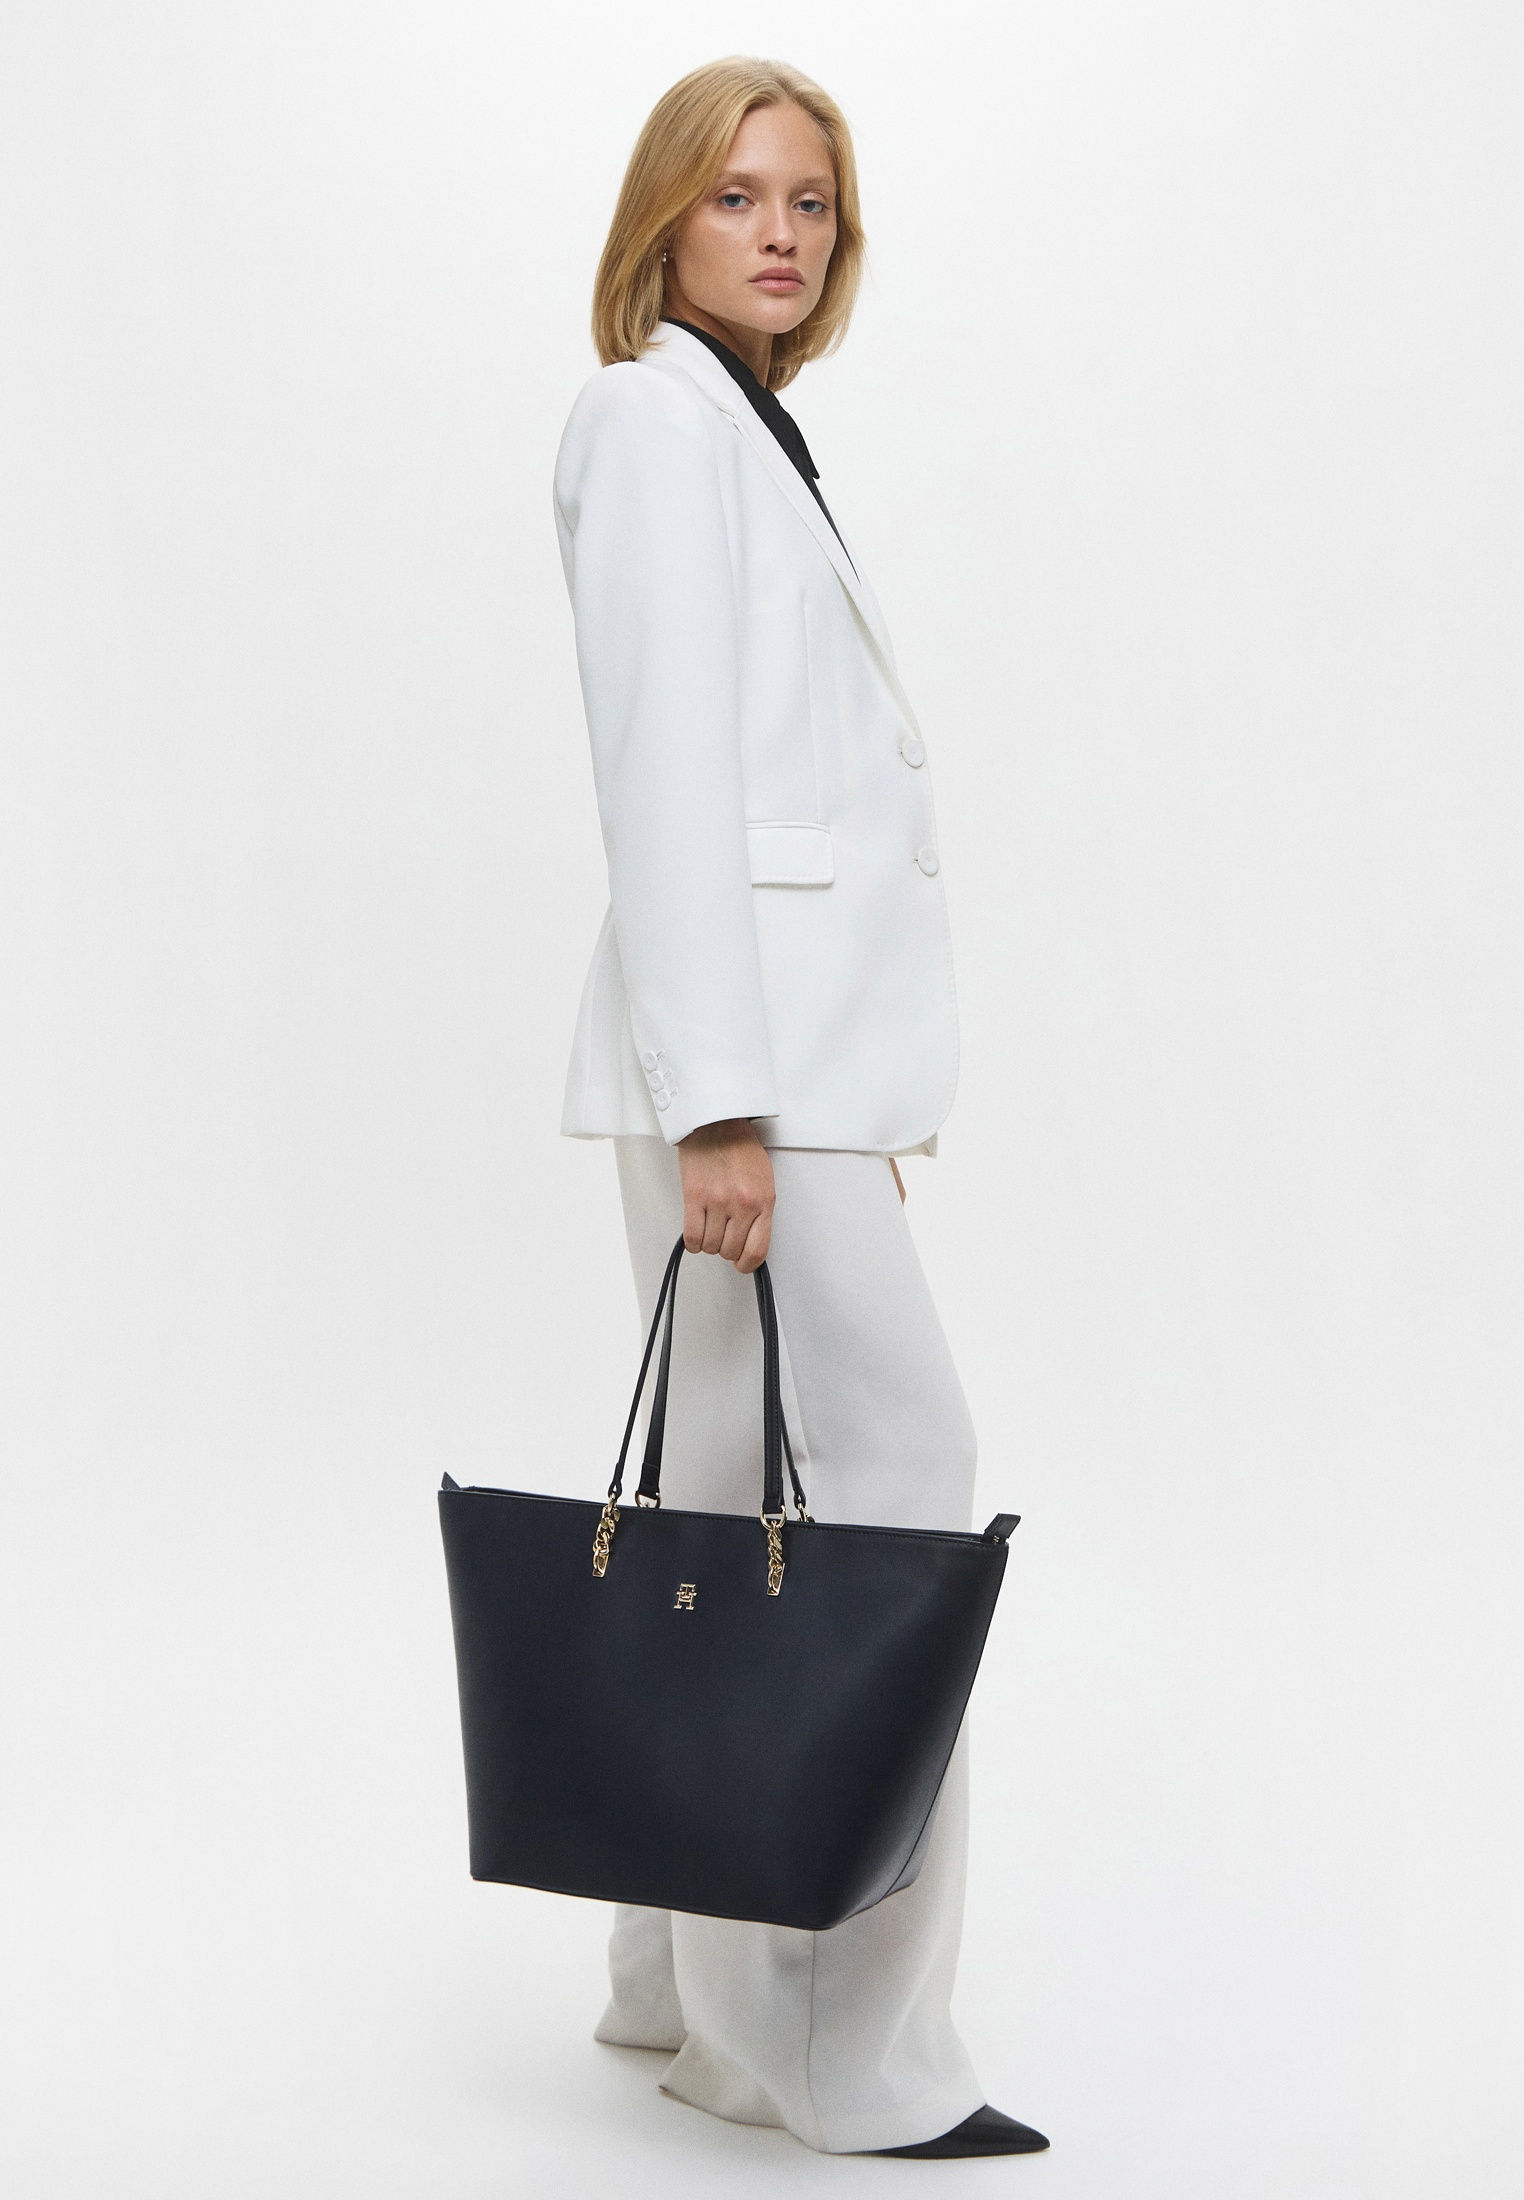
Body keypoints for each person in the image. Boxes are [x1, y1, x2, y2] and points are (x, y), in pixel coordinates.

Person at [551, 56, 1048, 2161]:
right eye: (736, 195)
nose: (777, 232)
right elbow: (665, 777)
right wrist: (736, 1112)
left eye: (811, 203)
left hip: (772, 1071)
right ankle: (840, 2050)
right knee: (884, 1487)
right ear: (663, 218)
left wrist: (802, 1088)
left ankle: (675, 1987)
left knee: (720, 1517)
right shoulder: (652, 422)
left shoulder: (741, 425)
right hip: (738, 1081)